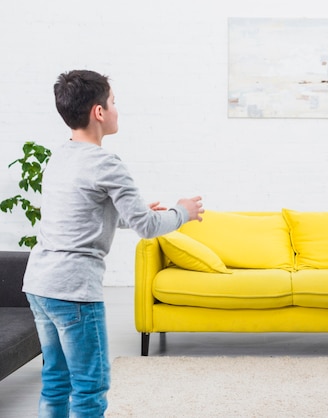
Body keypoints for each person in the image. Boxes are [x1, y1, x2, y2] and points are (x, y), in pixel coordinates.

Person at [22, 69, 205, 417]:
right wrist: (183, 211)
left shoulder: (59, 156)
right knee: (90, 387)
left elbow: (80, 216)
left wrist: (130, 214)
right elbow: (149, 227)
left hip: (39, 284)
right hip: (73, 290)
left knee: (56, 381)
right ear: (99, 112)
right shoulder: (106, 163)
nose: (117, 109)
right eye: (113, 102)